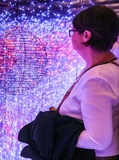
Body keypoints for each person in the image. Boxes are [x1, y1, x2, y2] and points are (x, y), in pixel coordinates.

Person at [51, 5, 119, 159]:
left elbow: (98, 140)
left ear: (86, 36)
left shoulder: (97, 78)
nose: (71, 36)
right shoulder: (106, 67)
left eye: (73, 31)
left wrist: (52, 133)